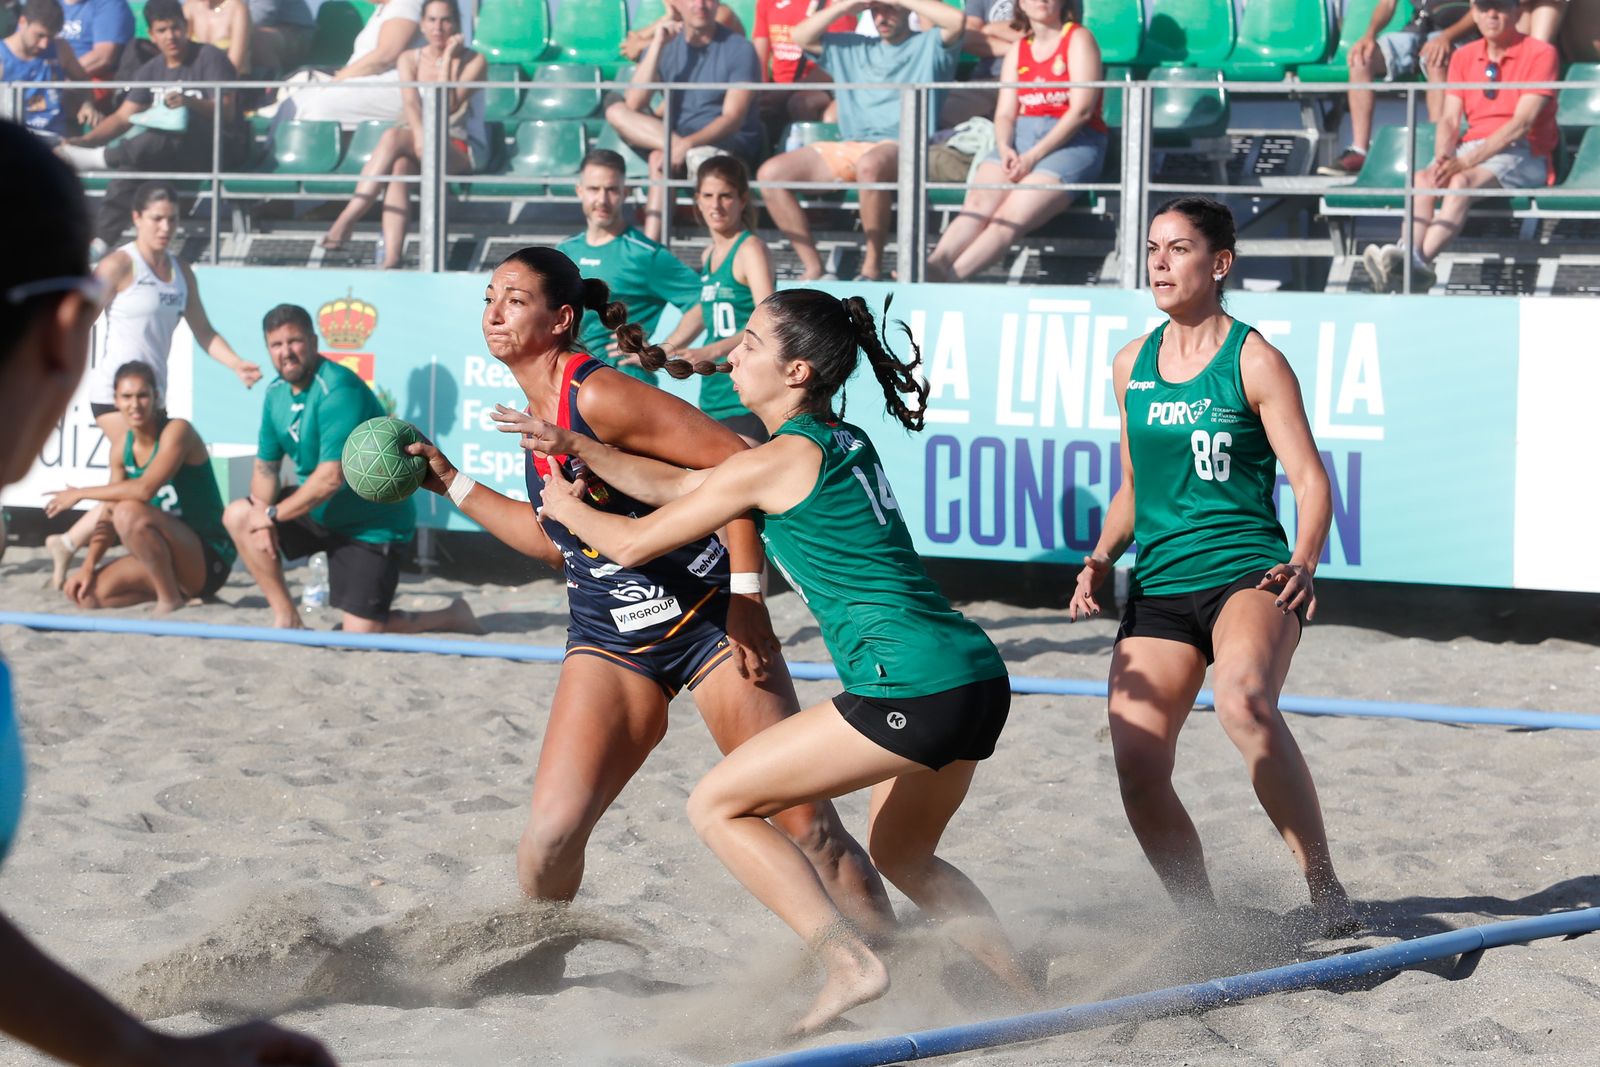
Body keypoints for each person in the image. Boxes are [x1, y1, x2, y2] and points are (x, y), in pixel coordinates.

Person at [515, 286, 1033, 1037]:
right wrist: (583, 450)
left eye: (751, 344)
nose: (734, 354)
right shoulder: (832, 438)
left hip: (911, 688)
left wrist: (566, 510)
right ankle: (1021, 993)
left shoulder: (779, 457)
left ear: (795, 372)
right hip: (975, 677)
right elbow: (689, 486)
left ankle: (847, 961)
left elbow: (631, 542)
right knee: (904, 851)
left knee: (717, 804)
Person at [403, 246, 894, 939]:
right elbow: (555, 540)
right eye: (490, 297)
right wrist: (448, 480)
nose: (495, 312)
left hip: (705, 622)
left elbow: (739, 466)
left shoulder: (596, 393)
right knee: (547, 841)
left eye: (515, 299)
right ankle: (544, 958)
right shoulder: (537, 414)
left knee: (809, 824)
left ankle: (900, 963)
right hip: (610, 636)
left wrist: (747, 599)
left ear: (560, 319)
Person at [0, 116, 337, 1067]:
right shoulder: (119, 345)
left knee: (99, 546)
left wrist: (139, 1051)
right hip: (154, 506)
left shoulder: (173, 362)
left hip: (185, 540)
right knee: (101, 541)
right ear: (71, 337)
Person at [1067, 196, 1357, 938]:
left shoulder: (1253, 358)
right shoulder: (1131, 363)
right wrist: (1100, 556)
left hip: (1248, 571)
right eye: (1154, 248)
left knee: (1245, 702)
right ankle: (1201, 921)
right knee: (1136, 762)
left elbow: (1310, 477)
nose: (1159, 262)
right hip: (1159, 583)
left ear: (1219, 263)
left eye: (1179, 248)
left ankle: (1326, 890)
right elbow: (1134, 486)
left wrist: (1304, 559)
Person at [46, 183, 261, 589]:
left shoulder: (182, 272)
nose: (165, 227)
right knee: (137, 483)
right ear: (137, 219)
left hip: (154, 397)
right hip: (116, 395)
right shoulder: (118, 265)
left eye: (172, 219)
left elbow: (203, 330)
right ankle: (75, 543)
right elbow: (79, 319)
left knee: (137, 486)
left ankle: (70, 542)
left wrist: (236, 365)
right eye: (157, 219)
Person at [220, 303, 477, 633]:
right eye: (276, 345)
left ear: (313, 341)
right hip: (317, 513)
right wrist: (261, 513)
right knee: (240, 516)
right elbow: (266, 468)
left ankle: (453, 616)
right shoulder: (275, 394)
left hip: (370, 523)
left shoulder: (338, 388)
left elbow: (330, 478)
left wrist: (272, 515)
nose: (286, 352)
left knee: (361, 633)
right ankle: (287, 618)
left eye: (294, 341)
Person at [757, 0, 966, 281]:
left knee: (869, 165)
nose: (882, 16)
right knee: (770, 175)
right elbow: (800, 36)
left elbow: (957, 21)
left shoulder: (929, 45)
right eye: (876, 9)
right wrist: (848, 6)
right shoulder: (852, 46)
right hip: (852, 145)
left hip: (904, 145)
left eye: (890, 8)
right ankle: (814, 267)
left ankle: (871, 268)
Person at [1360, 0, 1559, 293]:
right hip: (1476, 148)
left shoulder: (1541, 53)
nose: (1492, 14)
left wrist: (1463, 163)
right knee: (1424, 179)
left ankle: (1414, 263)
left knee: (1459, 182)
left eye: (1501, 7)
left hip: (1526, 152)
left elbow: (1521, 125)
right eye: (1484, 7)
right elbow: (1450, 119)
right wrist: (1443, 156)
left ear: (1517, 12)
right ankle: (1408, 258)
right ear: (1474, 13)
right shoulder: (1464, 56)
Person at [927, 0, 1105, 282]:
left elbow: (1081, 111)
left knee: (1006, 219)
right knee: (977, 204)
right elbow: (1006, 113)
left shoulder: (1078, 38)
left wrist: (1032, 157)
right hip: (1019, 138)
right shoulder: (1019, 50)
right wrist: (1005, 146)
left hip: (1072, 143)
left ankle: (950, 279)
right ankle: (934, 267)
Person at [43, 360, 236, 612]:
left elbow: (145, 489)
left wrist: (80, 493)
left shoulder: (178, 431)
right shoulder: (121, 447)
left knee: (129, 512)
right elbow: (108, 513)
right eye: (127, 397)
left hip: (208, 558)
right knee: (86, 596)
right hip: (164, 557)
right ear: (116, 400)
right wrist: (88, 566)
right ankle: (177, 593)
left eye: (142, 396)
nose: (135, 405)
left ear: (156, 397)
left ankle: (170, 601)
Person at [55, 0, 247, 247]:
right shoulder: (150, 70)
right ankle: (100, 244)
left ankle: (100, 160)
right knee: (132, 168)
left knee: (174, 124)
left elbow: (227, 112)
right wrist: (84, 140)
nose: (170, 36)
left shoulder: (209, 57)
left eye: (175, 28)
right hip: (169, 153)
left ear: (186, 27)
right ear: (151, 35)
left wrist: (189, 103)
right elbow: (122, 118)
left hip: (218, 148)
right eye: (162, 30)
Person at [320, 0, 485, 267]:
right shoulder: (409, 59)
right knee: (399, 166)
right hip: (418, 138)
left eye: (445, 21)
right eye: (431, 20)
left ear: (456, 24)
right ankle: (393, 259)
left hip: (460, 146)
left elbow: (448, 103)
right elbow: (410, 104)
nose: (438, 28)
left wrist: (448, 60)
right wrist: (422, 140)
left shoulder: (474, 61)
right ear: (421, 24)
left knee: (393, 138)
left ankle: (347, 219)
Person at [606, 0, 763, 242]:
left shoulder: (740, 49)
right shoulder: (666, 44)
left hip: (724, 145)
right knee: (617, 111)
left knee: (661, 158)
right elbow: (634, 102)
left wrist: (686, 145)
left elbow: (732, 119)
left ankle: (652, 248)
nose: (699, 5)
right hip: (678, 143)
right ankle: (651, 253)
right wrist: (657, 43)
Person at [555, 149, 707, 385]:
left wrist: (662, 350)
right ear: (580, 191)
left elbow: (703, 302)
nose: (602, 200)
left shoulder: (644, 254)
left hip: (626, 386)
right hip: (572, 383)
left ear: (625, 192)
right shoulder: (565, 251)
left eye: (612, 190)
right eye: (594, 189)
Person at [1318, 0, 1474, 177]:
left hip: (1458, 34)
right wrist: (1369, 35)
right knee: (1361, 59)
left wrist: (1446, 37)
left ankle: (1436, 153)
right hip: (1416, 31)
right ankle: (1359, 151)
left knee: (1436, 59)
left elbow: (1479, 12)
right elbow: (1387, 4)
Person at [682, 156, 774, 444]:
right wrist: (662, 348)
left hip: (745, 394)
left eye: (725, 196)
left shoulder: (749, 249)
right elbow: (703, 310)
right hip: (714, 393)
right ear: (697, 200)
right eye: (708, 196)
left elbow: (768, 321)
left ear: (742, 199)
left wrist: (711, 350)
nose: (716, 205)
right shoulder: (709, 254)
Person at [283, 0, 422, 127]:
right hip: (361, 83)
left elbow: (386, 55)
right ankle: (270, 153)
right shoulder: (382, 9)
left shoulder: (407, 4)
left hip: (395, 87)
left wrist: (337, 80)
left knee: (318, 108)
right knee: (291, 104)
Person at [750, 0, 856, 128]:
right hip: (777, 88)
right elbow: (758, 57)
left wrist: (786, 92)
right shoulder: (767, 2)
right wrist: (761, 92)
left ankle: (806, 146)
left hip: (823, 86)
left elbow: (835, 63)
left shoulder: (835, 6)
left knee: (801, 103)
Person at [3, 0, 86, 139]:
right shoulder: (2, 58)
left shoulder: (60, 48)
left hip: (57, 141)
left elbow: (82, 80)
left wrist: (87, 104)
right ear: (22, 22)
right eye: (40, 35)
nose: (44, 44)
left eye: (50, 37)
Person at [941, 0, 1019, 128]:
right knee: (940, 112)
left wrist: (989, 28)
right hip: (987, 79)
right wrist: (1018, 50)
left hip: (1033, 80)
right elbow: (968, 37)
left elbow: (1042, 30)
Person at [621, 0, 747, 62]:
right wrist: (666, 17)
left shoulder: (719, 14)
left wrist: (640, 45)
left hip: (718, 92)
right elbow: (628, 45)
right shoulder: (681, 19)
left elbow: (689, 44)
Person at [247, 0, 313, 77]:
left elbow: (261, 16)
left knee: (258, 39)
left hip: (294, 31)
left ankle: (269, 85)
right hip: (258, 29)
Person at [184, 0, 250, 75]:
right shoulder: (189, 7)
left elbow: (234, 66)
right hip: (194, 79)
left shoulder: (238, 8)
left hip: (229, 79)